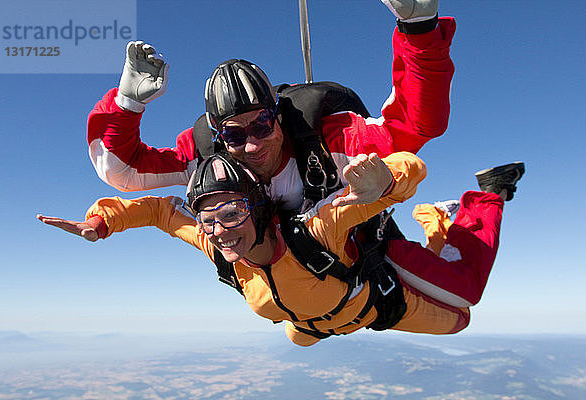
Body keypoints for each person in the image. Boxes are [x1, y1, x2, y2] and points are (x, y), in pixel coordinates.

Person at [38, 152, 525, 346]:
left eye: (230, 214)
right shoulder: (216, 246)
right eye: (209, 219)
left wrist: (384, 179)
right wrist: (101, 223)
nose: (220, 231)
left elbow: (400, 177)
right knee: (297, 335)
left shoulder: (313, 232)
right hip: (311, 320)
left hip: (378, 302)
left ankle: (472, 204)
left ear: (259, 210)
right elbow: (164, 213)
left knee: (463, 309)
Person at [87, 0, 456, 210]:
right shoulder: (204, 154)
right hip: (285, 279)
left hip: (347, 261)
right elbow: (123, 173)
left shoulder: (327, 140)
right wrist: (127, 103)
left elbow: (414, 126)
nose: (251, 144)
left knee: (457, 298)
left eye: (262, 124)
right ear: (219, 136)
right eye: (233, 135)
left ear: (278, 117)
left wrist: (419, 28)